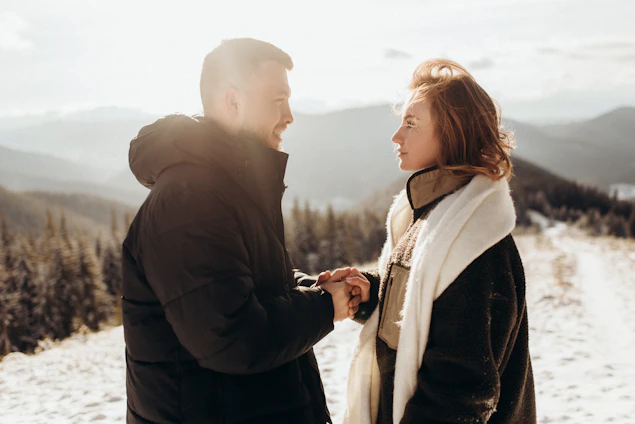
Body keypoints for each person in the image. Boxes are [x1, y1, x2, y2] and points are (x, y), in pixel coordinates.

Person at [121, 38, 366, 424]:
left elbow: (243, 282)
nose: (289, 116)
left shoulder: (226, 185)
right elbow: (232, 337)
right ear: (233, 101)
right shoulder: (190, 200)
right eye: (277, 100)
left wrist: (313, 287)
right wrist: (323, 306)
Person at [342, 59, 536, 424]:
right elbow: (423, 313)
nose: (396, 137)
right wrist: (375, 293)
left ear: (453, 133)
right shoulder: (431, 216)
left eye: (411, 124)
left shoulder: (474, 244)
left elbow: (460, 396)